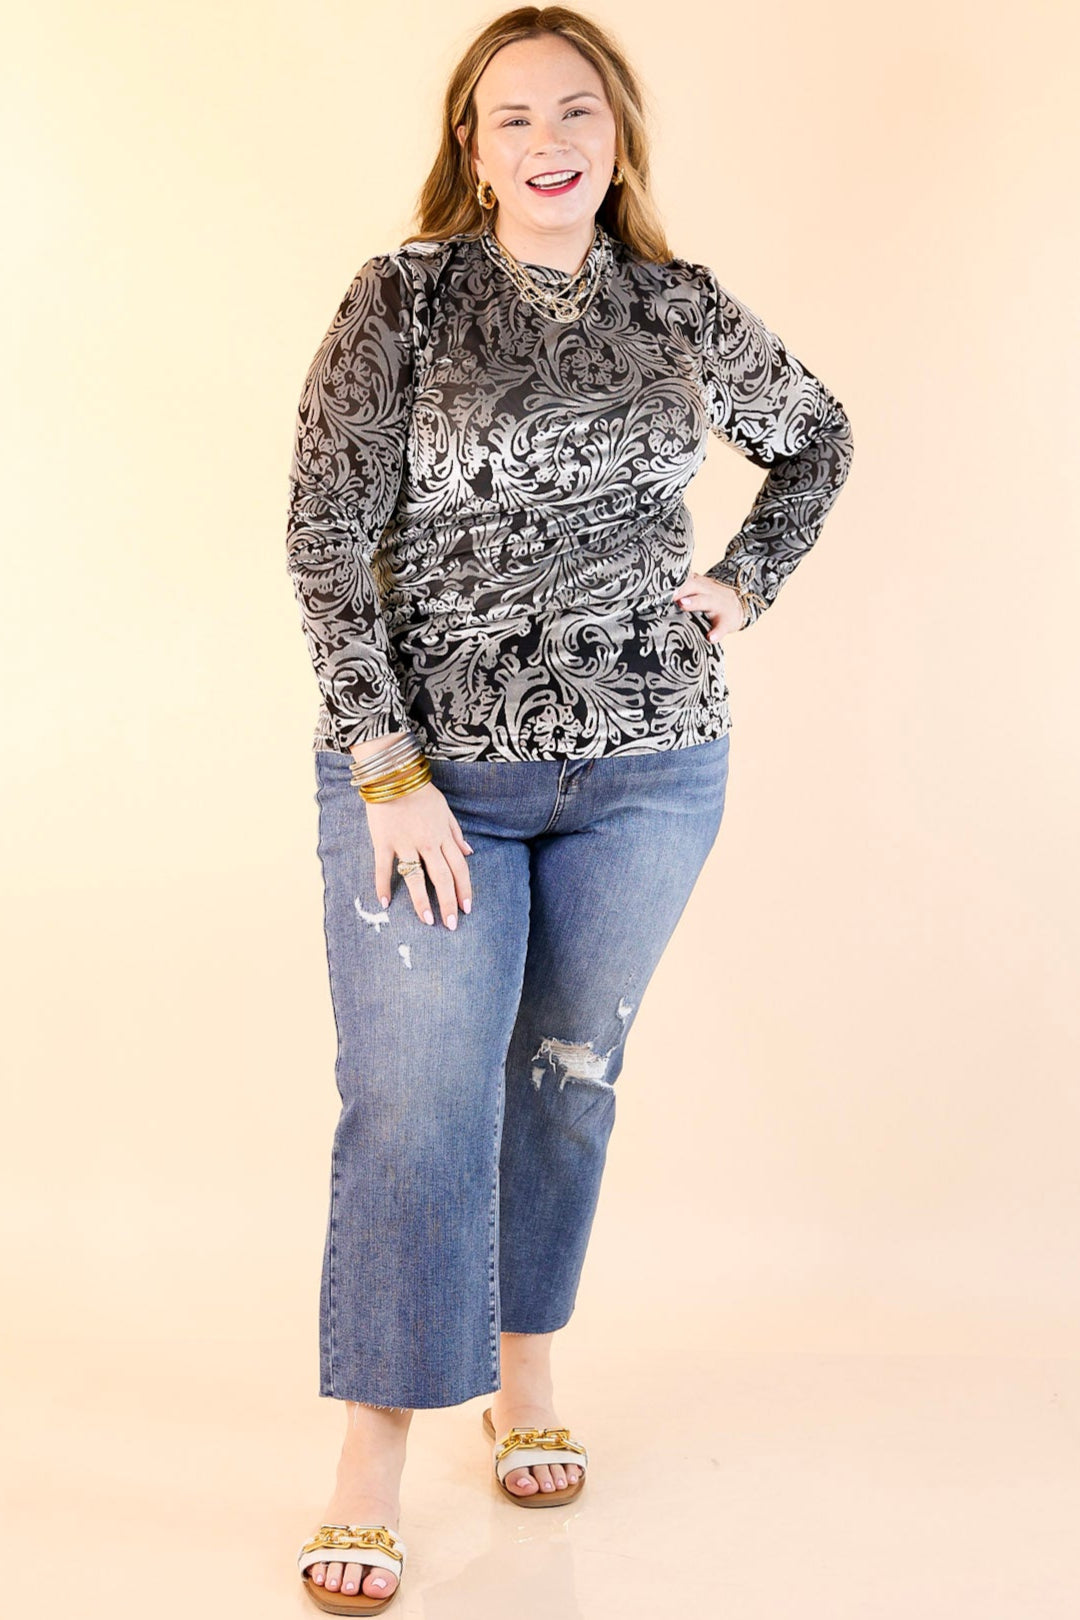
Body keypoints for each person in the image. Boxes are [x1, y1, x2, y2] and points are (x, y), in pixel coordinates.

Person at [286, 5, 853, 1609]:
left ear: (618, 139)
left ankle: (527, 1372)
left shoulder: (678, 307)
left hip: (650, 771)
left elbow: (815, 440)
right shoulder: (402, 298)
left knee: (565, 1080)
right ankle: (372, 1457)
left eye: (578, 112)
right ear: (473, 150)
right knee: (415, 1104)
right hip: (433, 783)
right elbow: (324, 533)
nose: (550, 142)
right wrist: (384, 766)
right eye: (515, 117)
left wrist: (741, 584)